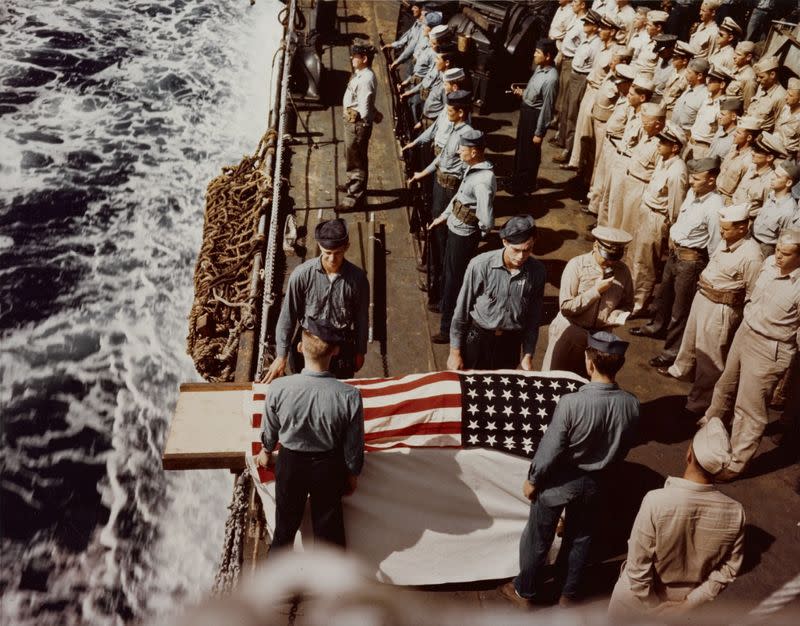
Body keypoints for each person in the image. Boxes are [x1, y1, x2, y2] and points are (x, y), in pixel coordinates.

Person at [500, 331, 640, 608]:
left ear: (590, 362)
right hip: (598, 483)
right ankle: (568, 593)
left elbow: (550, 449)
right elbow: (625, 446)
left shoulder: (571, 404)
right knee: (581, 538)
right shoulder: (632, 405)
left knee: (537, 539)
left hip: (560, 483)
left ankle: (525, 592)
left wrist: (533, 479)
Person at [608, 417, 745, 617]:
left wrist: (654, 607)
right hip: (681, 609)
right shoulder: (736, 512)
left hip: (634, 606)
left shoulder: (656, 501)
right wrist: (690, 603)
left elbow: (638, 569)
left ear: (689, 454)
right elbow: (728, 570)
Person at [257, 318, 365, 549]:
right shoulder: (349, 396)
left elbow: (270, 429)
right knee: (329, 536)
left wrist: (266, 451)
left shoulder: (278, 388)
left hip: (291, 464)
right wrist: (353, 473)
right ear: (335, 351)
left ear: (299, 348)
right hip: (327, 467)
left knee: (284, 530)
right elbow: (353, 444)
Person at [702, 229, 800, 481]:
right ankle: (711, 424)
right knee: (726, 384)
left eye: (786, 253)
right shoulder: (768, 264)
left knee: (750, 408)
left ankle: (736, 462)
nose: (778, 256)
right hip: (746, 332)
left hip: (770, 346)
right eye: (777, 249)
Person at [661, 203, 763, 415]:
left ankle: (699, 402)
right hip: (703, 297)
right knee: (690, 342)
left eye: (726, 229)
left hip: (721, 307)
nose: (722, 232)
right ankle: (681, 371)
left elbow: (753, 294)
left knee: (711, 356)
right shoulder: (726, 242)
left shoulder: (751, 256)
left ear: (742, 228)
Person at [631, 157, 723, 369]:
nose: (691, 181)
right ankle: (656, 327)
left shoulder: (714, 206)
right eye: (691, 176)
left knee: (680, 310)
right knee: (664, 297)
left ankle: (671, 351)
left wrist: (706, 273)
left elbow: (714, 244)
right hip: (675, 254)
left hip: (691, 262)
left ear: (711, 180)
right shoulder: (693, 194)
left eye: (697, 178)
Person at [264, 219, 369, 383]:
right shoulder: (301, 275)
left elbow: (361, 317)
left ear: (346, 247)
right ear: (320, 247)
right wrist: (281, 355)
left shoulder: (358, 279)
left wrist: (360, 351)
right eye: (327, 253)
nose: (332, 259)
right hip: (308, 348)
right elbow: (288, 316)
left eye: (338, 253)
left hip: (340, 348)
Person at [447, 215, 546, 370]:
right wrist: (455, 352)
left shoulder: (538, 272)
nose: (521, 257)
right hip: (478, 341)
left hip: (510, 345)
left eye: (528, 250)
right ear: (505, 241)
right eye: (516, 250)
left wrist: (528, 354)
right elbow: (461, 310)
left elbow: (534, 317)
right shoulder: (480, 266)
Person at [407, 90, 474, 309]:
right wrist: (422, 174)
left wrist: (454, 205)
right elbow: (441, 159)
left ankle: (441, 292)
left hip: (449, 190)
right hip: (440, 185)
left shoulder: (467, 137)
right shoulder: (455, 129)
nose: (446, 112)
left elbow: (465, 177)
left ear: (461, 112)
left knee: (444, 241)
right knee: (436, 236)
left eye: (450, 109)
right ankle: (434, 278)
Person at [429, 129, 496, 343]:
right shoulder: (472, 169)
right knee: (450, 275)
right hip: (455, 228)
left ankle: (448, 328)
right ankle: (444, 306)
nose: (458, 151)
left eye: (462, 148)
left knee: (455, 281)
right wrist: (444, 217)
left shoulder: (482, 181)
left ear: (474, 152)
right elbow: (459, 197)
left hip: (464, 235)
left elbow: (486, 219)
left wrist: (478, 233)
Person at [543, 227, 634, 376]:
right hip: (570, 331)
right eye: (607, 256)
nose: (610, 262)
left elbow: (628, 303)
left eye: (615, 258)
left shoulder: (623, 271)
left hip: (598, 339)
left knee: (585, 383)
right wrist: (596, 291)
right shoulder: (576, 266)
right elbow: (566, 307)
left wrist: (617, 314)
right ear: (595, 246)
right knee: (555, 378)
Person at [629, 121, 689, 314]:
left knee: (645, 264)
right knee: (634, 256)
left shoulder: (677, 171)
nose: (659, 144)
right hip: (646, 211)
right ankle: (630, 295)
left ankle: (638, 304)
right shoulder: (664, 161)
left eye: (664, 142)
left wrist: (671, 231)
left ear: (675, 147)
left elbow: (675, 207)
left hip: (657, 218)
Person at [510, 39, 558, 197]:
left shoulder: (551, 79)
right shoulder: (540, 68)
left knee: (529, 153)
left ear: (548, 56)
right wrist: (523, 94)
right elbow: (534, 94)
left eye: (538, 52)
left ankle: (525, 187)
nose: (534, 54)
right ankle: (517, 181)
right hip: (526, 112)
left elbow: (547, 108)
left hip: (535, 117)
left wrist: (539, 132)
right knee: (521, 150)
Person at [340, 43, 379, 209]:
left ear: (364, 59)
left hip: (356, 124)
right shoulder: (360, 74)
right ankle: (352, 185)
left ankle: (354, 199)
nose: (351, 58)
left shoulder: (366, 79)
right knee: (351, 156)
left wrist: (362, 125)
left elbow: (364, 107)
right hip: (352, 122)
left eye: (355, 56)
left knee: (356, 161)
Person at [752, 160, 800, 257]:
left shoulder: (788, 211)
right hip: (752, 238)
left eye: (777, 176)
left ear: (788, 183)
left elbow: (784, 239)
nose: (772, 178)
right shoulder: (771, 195)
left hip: (765, 247)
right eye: (774, 173)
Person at [747, 55, 786, 133]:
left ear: (772, 75)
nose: (758, 80)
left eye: (761, 77)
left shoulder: (780, 96)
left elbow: (778, 126)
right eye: (757, 76)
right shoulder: (762, 86)